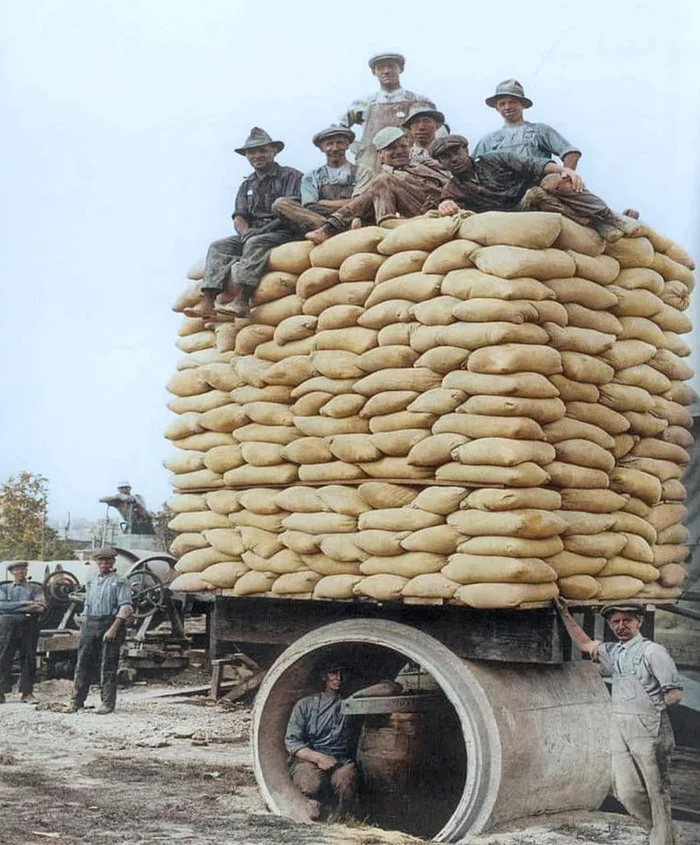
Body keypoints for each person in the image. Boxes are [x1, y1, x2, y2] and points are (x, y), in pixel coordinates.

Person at [555, 598, 682, 845]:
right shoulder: (613, 651)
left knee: (657, 790)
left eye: (627, 620)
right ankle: (663, 833)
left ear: (639, 622)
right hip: (620, 727)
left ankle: (661, 839)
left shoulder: (653, 652)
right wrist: (565, 613)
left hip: (649, 727)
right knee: (626, 791)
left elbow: (674, 694)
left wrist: (652, 711)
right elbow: (584, 643)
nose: (621, 626)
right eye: (615, 622)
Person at [429, 134, 640, 242]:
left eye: (456, 152)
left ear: (466, 150)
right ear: (440, 163)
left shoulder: (494, 159)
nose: (453, 159)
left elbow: (533, 164)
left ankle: (609, 216)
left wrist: (565, 170)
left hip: (534, 201)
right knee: (538, 196)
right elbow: (446, 202)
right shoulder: (453, 188)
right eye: (446, 157)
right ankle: (595, 224)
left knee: (553, 182)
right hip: (512, 221)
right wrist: (445, 205)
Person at [187, 128, 302, 320]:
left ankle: (242, 299)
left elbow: (292, 210)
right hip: (253, 233)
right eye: (252, 152)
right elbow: (239, 216)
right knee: (219, 246)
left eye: (262, 151)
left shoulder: (291, 176)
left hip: (283, 231)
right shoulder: (247, 184)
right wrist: (245, 231)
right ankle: (208, 300)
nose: (257, 156)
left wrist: (258, 233)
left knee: (255, 243)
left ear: (273, 152)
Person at [305, 127, 450, 244]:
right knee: (380, 182)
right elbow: (385, 216)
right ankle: (335, 226)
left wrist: (448, 201)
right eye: (391, 148)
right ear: (381, 154)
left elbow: (447, 184)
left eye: (403, 146)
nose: (399, 151)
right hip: (423, 215)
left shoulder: (424, 166)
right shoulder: (385, 179)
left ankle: (331, 227)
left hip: (448, 208)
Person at [285, 661, 359, 820]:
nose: (338, 678)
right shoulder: (305, 705)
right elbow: (293, 742)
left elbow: (388, 687)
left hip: (341, 760)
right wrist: (318, 758)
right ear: (323, 676)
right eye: (333, 673)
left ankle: (342, 816)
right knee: (308, 779)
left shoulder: (352, 704)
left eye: (342, 673)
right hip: (311, 759)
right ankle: (313, 805)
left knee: (346, 780)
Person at [340, 53, 435, 172]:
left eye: (391, 66)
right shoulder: (364, 104)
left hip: (410, 166)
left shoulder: (418, 101)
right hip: (371, 167)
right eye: (381, 68)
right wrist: (358, 148)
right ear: (374, 72)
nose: (386, 71)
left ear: (400, 69)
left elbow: (438, 128)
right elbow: (339, 130)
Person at [68, 547, 133, 714]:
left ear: (113, 562)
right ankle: (76, 702)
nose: (104, 563)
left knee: (108, 664)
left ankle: (107, 703)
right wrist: (83, 620)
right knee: (83, 663)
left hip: (110, 623)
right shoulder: (91, 581)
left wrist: (113, 629)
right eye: (101, 560)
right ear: (97, 562)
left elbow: (126, 607)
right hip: (90, 623)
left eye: (108, 560)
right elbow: (87, 603)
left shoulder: (121, 581)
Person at [473, 79, 582, 178]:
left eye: (512, 102)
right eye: (502, 104)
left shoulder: (540, 130)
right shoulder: (488, 140)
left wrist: (565, 176)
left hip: (537, 187)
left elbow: (571, 153)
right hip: (502, 190)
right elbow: (472, 166)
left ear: (523, 104)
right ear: (497, 108)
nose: (507, 107)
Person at [273, 126, 359, 233]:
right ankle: (330, 227)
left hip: (353, 215)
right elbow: (310, 206)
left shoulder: (362, 172)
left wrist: (323, 202)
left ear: (347, 145)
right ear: (322, 148)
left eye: (339, 143)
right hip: (320, 217)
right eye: (329, 144)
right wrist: (345, 204)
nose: (335, 148)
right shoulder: (311, 176)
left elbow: (361, 202)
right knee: (281, 204)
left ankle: (333, 227)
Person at [0, 561, 45, 704]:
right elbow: (1, 606)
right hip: (7, 627)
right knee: (4, 657)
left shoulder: (36, 588)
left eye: (23, 569)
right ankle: (1, 692)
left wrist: (12, 608)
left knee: (28, 658)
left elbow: (40, 607)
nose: (20, 572)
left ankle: (27, 693)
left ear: (26, 571)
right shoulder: (4, 588)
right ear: (12, 572)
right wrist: (27, 604)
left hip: (29, 625)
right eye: (17, 569)